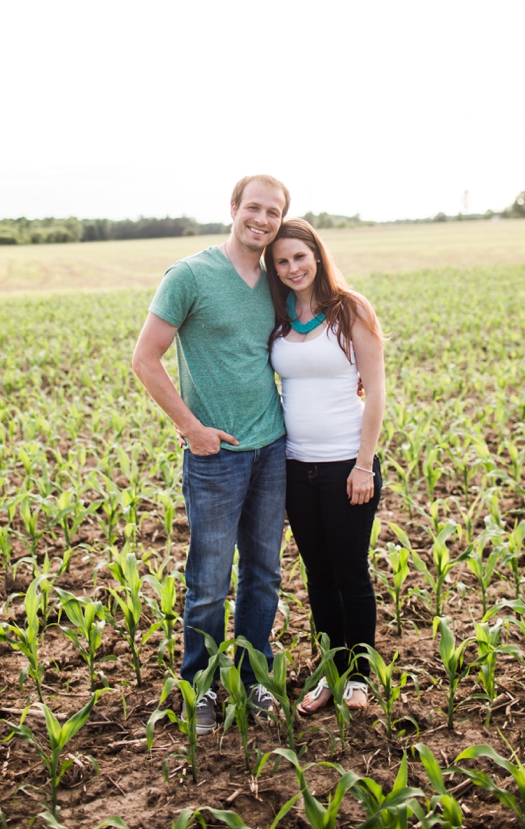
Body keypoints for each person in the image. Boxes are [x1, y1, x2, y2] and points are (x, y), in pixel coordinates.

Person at [131, 175, 292, 732]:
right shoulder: (189, 275)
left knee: (265, 573)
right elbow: (145, 359)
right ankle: (200, 688)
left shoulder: (277, 281)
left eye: (274, 212)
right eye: (255, 208)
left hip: (271, 448)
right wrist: (191, 427)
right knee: (207, 579)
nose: (263, 220)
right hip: (216, 455)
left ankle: (253, 680)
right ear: (233, 209)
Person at [265, 218, 387, 714]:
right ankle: (331, 671)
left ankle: (359, 677)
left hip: (346, 466)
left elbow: (376, 392)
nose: (293, 268)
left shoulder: (350, 309)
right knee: (317, 575)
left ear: (317, 255)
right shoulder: (278, 315)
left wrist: (363, 465)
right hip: (297, 468)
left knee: (350, 572)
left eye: (300, 256)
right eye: (282, 261)